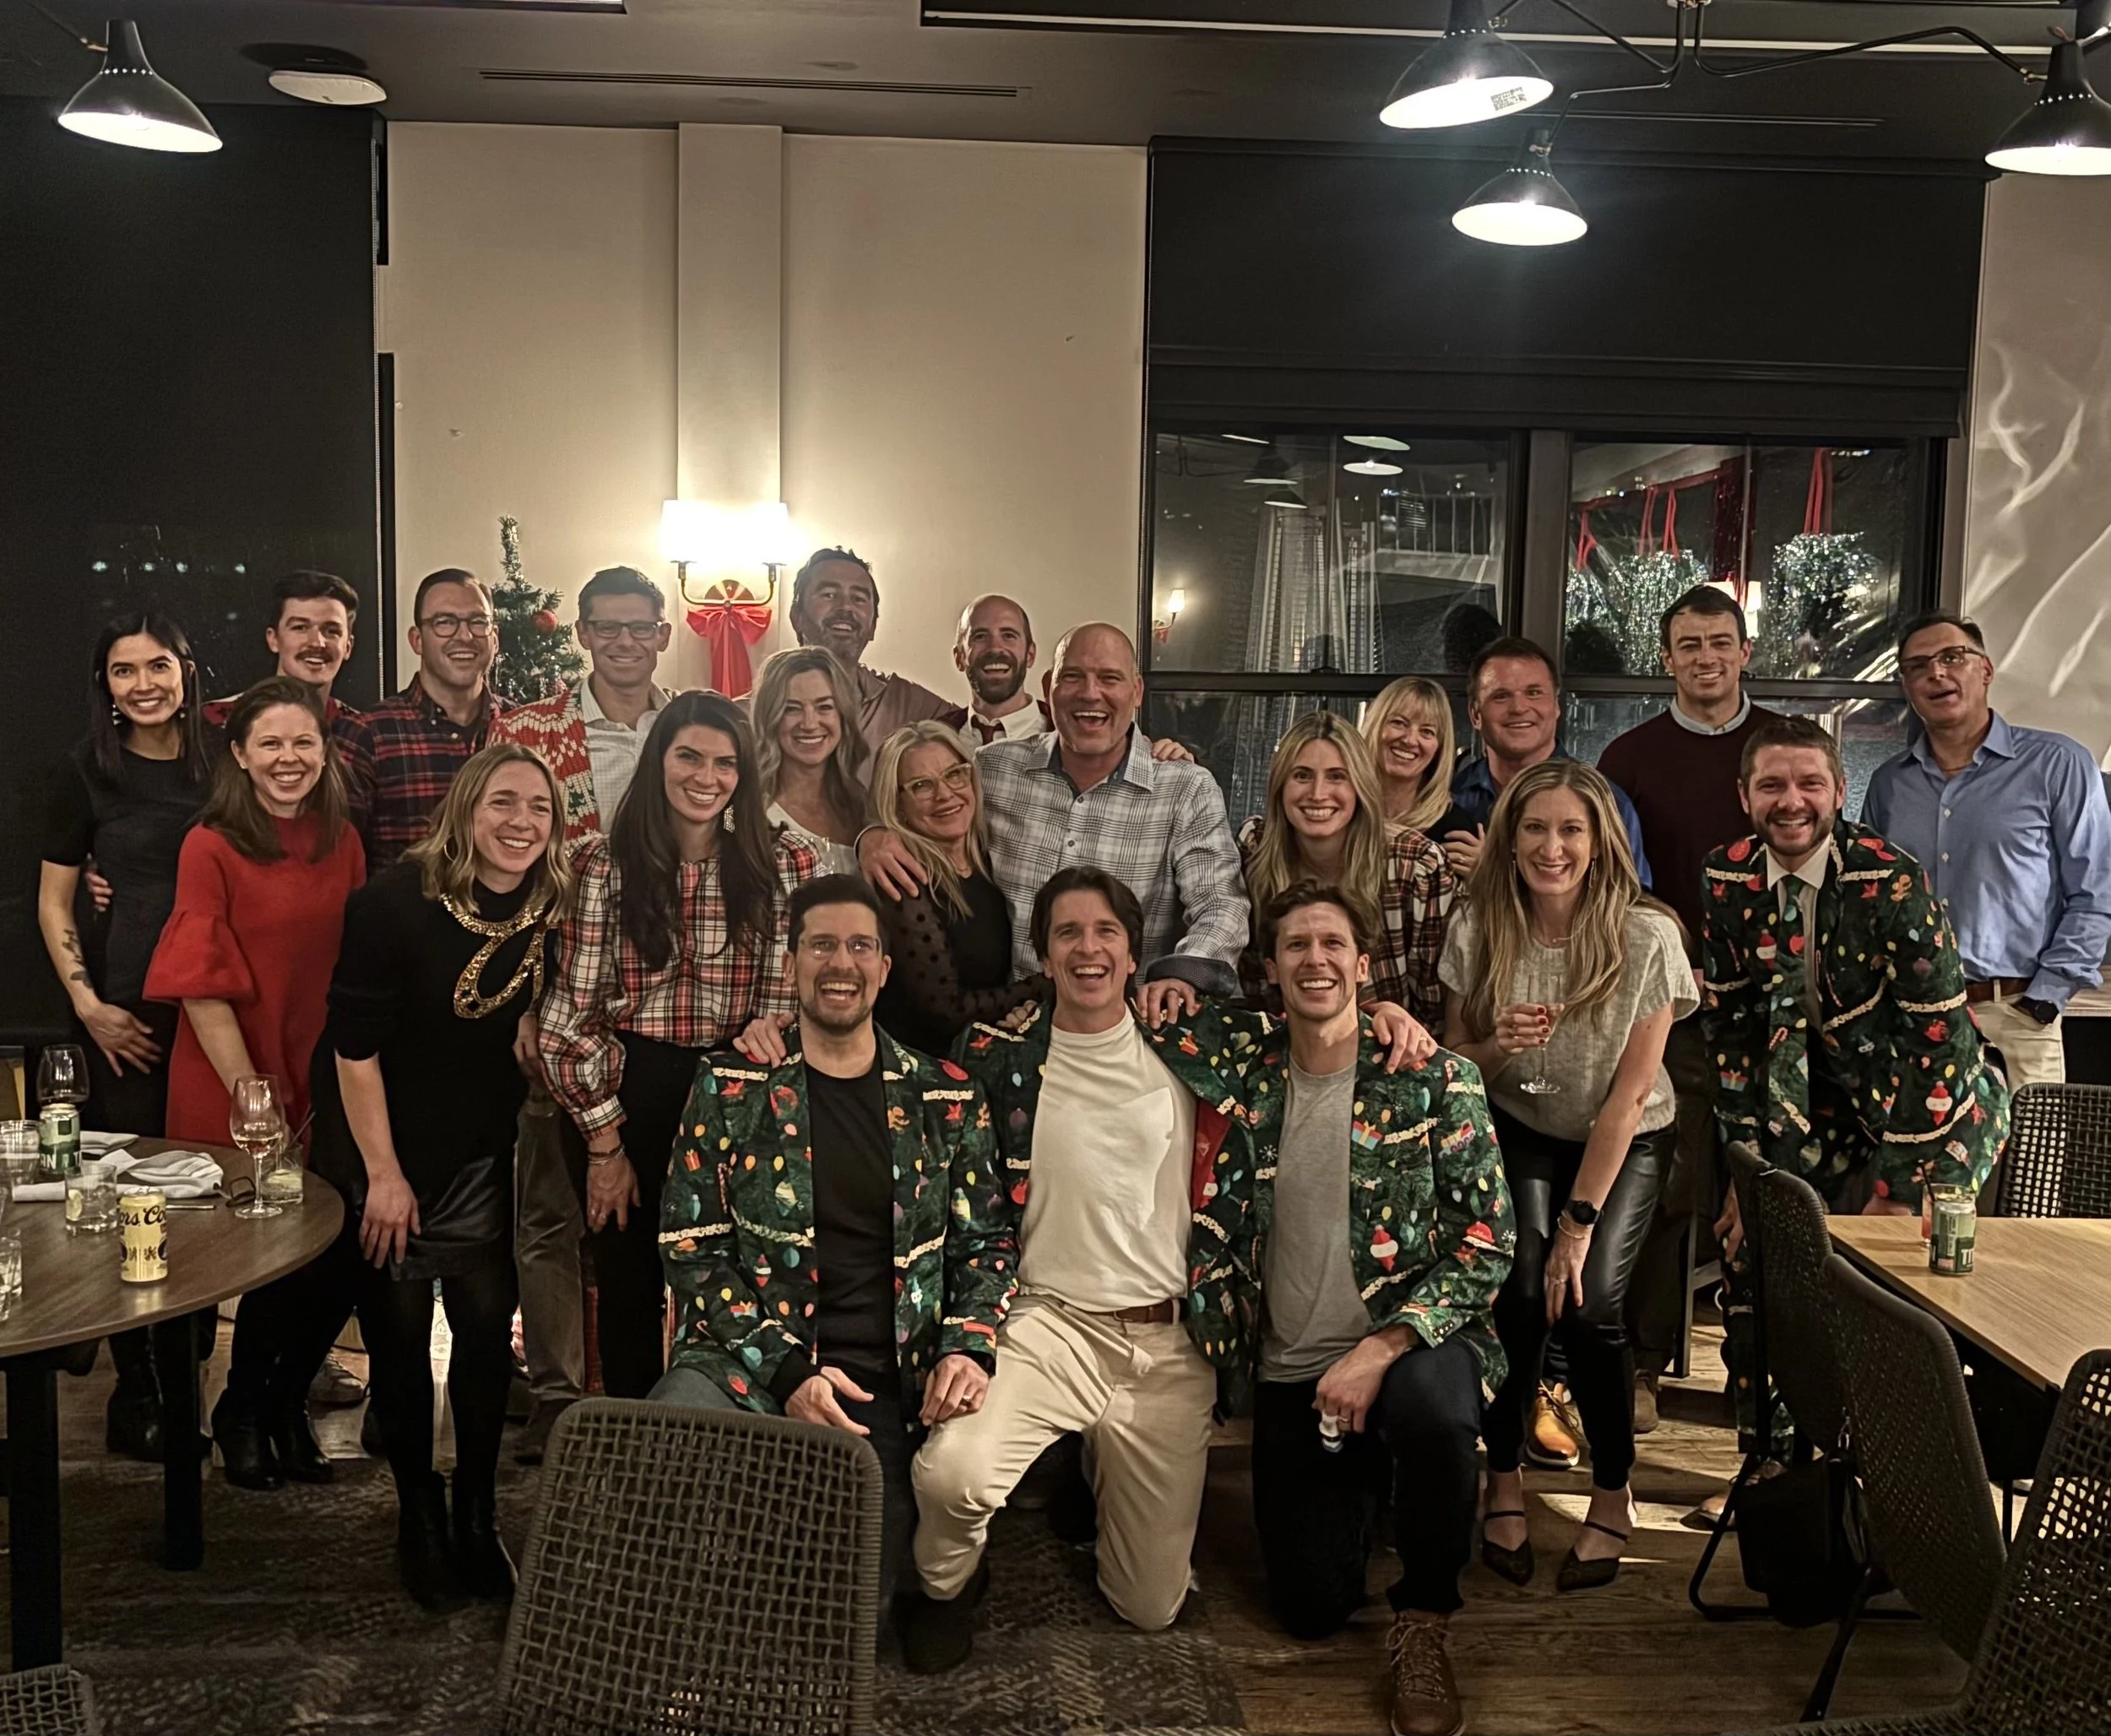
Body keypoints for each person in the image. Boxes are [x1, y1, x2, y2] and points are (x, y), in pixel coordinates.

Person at [1187, 882, 1511, 1736]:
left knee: (1435, 1415)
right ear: (1269, 970)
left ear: (1364, 966)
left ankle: (1426, 1616)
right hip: (1296, 1370)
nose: (1315, 960)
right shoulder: (1245, 1067)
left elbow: (1488, 1243)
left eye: (1333, 944)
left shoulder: (1435, 1077)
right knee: (1309, 1608)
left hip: (1412, 1342)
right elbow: (1125, 1011)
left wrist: (1383, 1348)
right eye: (1295, 946)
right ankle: (1371, 1486)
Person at [654, 875, 1018, 1632]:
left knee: (849, 1623)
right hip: (748, 1366)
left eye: (859, 946)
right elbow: (692, 1249)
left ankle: (909, 1570)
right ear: (790, 964)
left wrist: (967, 1347)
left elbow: (986, 1245)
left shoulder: (948, 1097)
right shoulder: (730, 1085)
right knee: (668, 1445)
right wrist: (789, 1374)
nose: (840, 963)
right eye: (821, 945)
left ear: (885, 967)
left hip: (887, 1381)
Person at [901, 867, 1238, 1671]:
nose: (1089, 949)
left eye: (1106, 932)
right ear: (1045, 957)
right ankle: (945, 1589)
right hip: (1046, 1325)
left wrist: (1389, 1014)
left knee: (1150, 1608)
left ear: (1135, 952)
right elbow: (954, 1188)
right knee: (952, 1477)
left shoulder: (1191, 1043)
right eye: (1068, 934)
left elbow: (1312, 1027)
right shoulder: (997, 1057)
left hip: (1165, 1342)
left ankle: (1100, 1465)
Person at [1703, 714, 2010, 1457]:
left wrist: (1896, 1191)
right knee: (1759, 1261)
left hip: (1940, 1106)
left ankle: (1902, 1478)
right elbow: (1734, 1036)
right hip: (1822, 1100)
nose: (1791, 801)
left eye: (1810, 783)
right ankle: (1779, 1472)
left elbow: (1939, 1040)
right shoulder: (1726, 877)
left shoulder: (1891, 879)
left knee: (1895, 1286)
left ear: (1840, 791)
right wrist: (1749, 1174)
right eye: (1772, 785)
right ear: (1744, 795)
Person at [307, 744, 567, 1609]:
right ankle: (417, 1511)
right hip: (381, 1137)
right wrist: (382, 1175)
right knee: (399, 1334)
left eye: (539, 806)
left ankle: (475, 1513)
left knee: (485, 1332)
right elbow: (353, 1051)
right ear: (465, 809)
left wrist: (535, 1022)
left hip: (478, 1144)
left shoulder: (552, 902)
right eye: (502, 802)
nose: (521, 822)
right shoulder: (393, 902)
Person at [1441, 760, 1695, 1592]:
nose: (1553, 847)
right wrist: (1498, 1046)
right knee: (1516, 1293)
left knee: (1587, 1305)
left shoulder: (1645, 936)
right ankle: (1503, 1476)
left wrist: (1575, 1230)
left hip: (1624, 1135)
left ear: (1600, 842)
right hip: (1520, 1124)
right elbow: (1456, 1065)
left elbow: (1630, 1097)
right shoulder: (1479, 922)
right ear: (1509, 839)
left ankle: (1613, 1490)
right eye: (1536, 828)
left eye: (1571, 830)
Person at [538, 691, 817, 1397]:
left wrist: (773, 1032)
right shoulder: (602, 865)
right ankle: (637, 1437)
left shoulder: (785, 862)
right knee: (627, 1279)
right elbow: (568, 1023)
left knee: (736, 1277)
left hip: (736, 1089)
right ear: (657, 760)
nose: (706, 777)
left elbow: (789, 994)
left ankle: (721, 1429)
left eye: (725, 763)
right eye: (688, 756)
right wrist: (605, 1148)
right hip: (627, 1090)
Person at [142, 676, 366, 1491]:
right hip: (233, 1077)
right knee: (244, 1254)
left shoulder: (342, 839)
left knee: (328, 1256)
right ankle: (231, 1417)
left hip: (319, 1073)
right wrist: (254, 1102)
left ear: (325, 752)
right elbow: (201, 988)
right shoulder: (210, 845)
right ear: (239, 754)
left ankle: (270, 1404)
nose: (288, 758)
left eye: (303, 742)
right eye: (270, 743)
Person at [490, 562, 674, 1459]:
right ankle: (558, 1392)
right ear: (584, 635)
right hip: (557, 1003)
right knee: (551, 1209)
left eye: (641, 627)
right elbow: (505, 865)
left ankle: (672, 1391)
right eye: (608, 627)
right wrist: (528, 1000)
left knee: (656, 1216)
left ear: (664, 635)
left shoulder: (694, 730)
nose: (625, 642)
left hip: (666, 1011)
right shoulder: (529, 732)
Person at [1597, 584, 1781, 1429]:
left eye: (1720, 642)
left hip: (1770, 1013)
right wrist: (1671, 947)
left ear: (1745, 652)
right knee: (1667, 1187)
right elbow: (1611, 882)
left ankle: (1762, 1385)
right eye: (1688, 645)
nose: (1706, 657)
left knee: (1768, 1191)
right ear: (1666, 659)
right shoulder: (1629, 756)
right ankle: (1641, 1365)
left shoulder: (1778, 747)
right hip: (1669, 1010)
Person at [863, 623, 1251, 1001]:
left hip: (1124, 1025)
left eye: (1109, 678)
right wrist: (873, 835)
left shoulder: (1185, 789)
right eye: (1073, 677)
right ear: (1049, 686)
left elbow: (1221, 904)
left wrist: (1181, 976)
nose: (1090, 693)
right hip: (1006, 1025)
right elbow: (925, 805)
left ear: (1136, 692)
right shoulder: (992, 769)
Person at [39, 615, 211, 1460]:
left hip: (216, 1008)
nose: (143, 684)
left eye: (158, 665)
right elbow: (54, 902)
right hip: (129, 1015)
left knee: (210, 1196)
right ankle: (137, 1386)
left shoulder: (225, 760)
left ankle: (191, 1374)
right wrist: (89, 1007)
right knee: (140, 1195)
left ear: (186, 671)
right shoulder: (85, 771)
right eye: (123, 670)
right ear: (104, 684)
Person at [1863, 610, 2111, 1090]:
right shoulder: (1889, 784)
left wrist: (2046, 998)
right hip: (1913, 1020)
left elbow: (2096, 892)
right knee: (1914, 1142)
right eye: (1917, 666)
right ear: (1907, 687)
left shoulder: (2058, 765)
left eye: (1953, 657)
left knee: (2027, 1144)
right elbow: (1870, 900)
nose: (1936, 673)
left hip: (2017, 1017)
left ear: (1986, 670)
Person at [1236, 709, 1452, 1029]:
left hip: (1391, 1048)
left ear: (1360, 786)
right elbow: (1251, 990)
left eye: (1337, 777)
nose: (1318, 794)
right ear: (1280, 784)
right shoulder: (1254, 848)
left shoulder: (1416, 864)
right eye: (1302, 776)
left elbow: (1434, 1011)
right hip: (1278, 1044)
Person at [866, 723, 1044, 1057]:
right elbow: (947, 1011)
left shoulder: (991, 860)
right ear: (898, 804)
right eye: (922, 785)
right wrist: (1051, 984)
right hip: (925, 1073)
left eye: (954, 774)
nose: (945, 794)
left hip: (988, 1060)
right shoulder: (903, 882)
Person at [1445, 636, 1652, 887]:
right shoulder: (1450, 799)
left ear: (1556, 706)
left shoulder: (1606, 802)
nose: (1519, 707)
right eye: (1501, 696)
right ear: (1475, 715)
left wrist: (1497, 873)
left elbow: (1631, 901)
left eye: (1534, 693)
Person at [203, 571, 377, 831]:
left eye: (331, 631)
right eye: (300, 628)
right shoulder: (216, 720)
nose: (317, 642)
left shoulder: (358, 732)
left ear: (348, 646)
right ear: (273, 639)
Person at [364, 568, 503, 870]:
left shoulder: (523, 728)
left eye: (478, 621)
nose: (464, 636)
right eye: (444, 622)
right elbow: (341, 862)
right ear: (417, 640)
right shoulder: (369, 735)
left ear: (494, 638)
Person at [787, 548, 963, 757]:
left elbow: (979, 725)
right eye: (829, 595)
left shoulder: (910, 705)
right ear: (796, 617)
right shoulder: (756, 711)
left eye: (858, 598)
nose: (845, 607)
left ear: (872, 627)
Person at [752, 645, 866, 874]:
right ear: (770, 717)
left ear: (843, 715)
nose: (810, 724)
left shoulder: (864, 806)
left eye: (824, 707)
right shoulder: (739, 808)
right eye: (792, 709)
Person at [1362, 675, 1473, 842]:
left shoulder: (1455, 829)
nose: (1410, 740)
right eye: (1399, 723)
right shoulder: (1340, 810)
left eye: (1427, 731)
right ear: (1374, 725)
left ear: (1439, 748)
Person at [954, 594, 1050, 744]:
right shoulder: (935, 740)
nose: (995, 648)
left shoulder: (1065, 737)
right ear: (959, 657)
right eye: (980, 636)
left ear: (1030, 655)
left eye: (1008, 636)